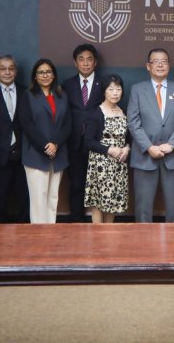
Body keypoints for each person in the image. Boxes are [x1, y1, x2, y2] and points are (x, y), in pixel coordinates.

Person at [127, 48, 174, 223]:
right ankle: (144, 247)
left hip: (173, 156)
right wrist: (148, 147)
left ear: (169, 66)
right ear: (148, 66)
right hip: (144, 156)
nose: (160, 64)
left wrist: (171, 144)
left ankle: (173, 246)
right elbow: (133, 122)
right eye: (156, 61)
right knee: (143, 209)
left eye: (164, 61)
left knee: (173, 207)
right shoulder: (137, 90)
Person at [19, 59, 71, 224]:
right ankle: (38, 236)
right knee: (38, 197)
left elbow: (68, 124)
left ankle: (51, 233)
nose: (45, 75)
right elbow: (26, 124)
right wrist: (44, 146)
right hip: (35, 153)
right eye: (41, 72)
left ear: (54, 74)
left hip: (58, 153)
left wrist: (55, 144)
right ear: (35, 76)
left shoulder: (62, 96)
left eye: (48, 71)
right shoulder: (28, 95)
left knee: (53, 196)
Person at [0, 55, 29, 223]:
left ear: (16, 71)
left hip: (24, 154)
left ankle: (25, 232)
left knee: (25, 197)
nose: (7, 72)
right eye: (3, 68)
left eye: (11, 68)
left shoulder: (27, 92)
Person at [62, 44, 105, 222]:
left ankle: (101, 224)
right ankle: (76, 223)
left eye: (89, 59)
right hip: (75, 143)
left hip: (98, 142)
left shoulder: (104, 84)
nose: (85, 63)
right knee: (76, 185)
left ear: (95, 63)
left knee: (100, 186)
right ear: (75, 62)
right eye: (81, 59)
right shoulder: (67, 84)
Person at [83, 74, 131, 224]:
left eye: (118, 89)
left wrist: (127, 148)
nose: (115, 92)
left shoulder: (123, 112)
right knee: (99, 203)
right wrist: (109, 150)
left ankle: (109, 235)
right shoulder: (95, 113)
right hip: (100, 165)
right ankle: (98, 238)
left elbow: (128, 139)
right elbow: (88, 141)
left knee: (113, 202)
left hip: (118, 165)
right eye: (111, 89)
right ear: (104, 91)